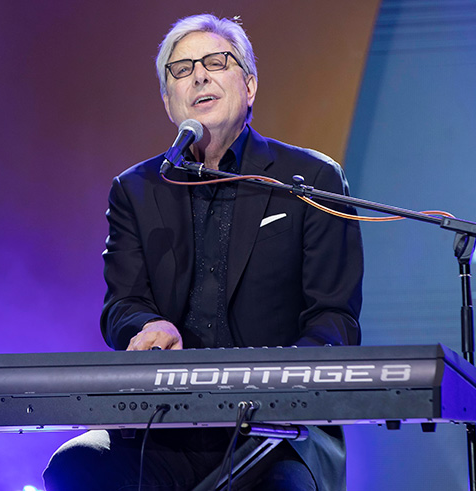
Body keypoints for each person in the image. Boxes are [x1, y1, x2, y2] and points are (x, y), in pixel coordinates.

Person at [43, 13, 363, 491]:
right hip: (165, 425)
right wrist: (147, 326)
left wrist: (277, 383)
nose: (198, 76)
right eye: (181, 69)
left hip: (276, 432)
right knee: (78, 465)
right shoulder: (136, 190)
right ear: (168, 101)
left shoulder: (311, 179)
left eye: (216, 62)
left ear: (249, 86)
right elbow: (123, 304)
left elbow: (334, 318)